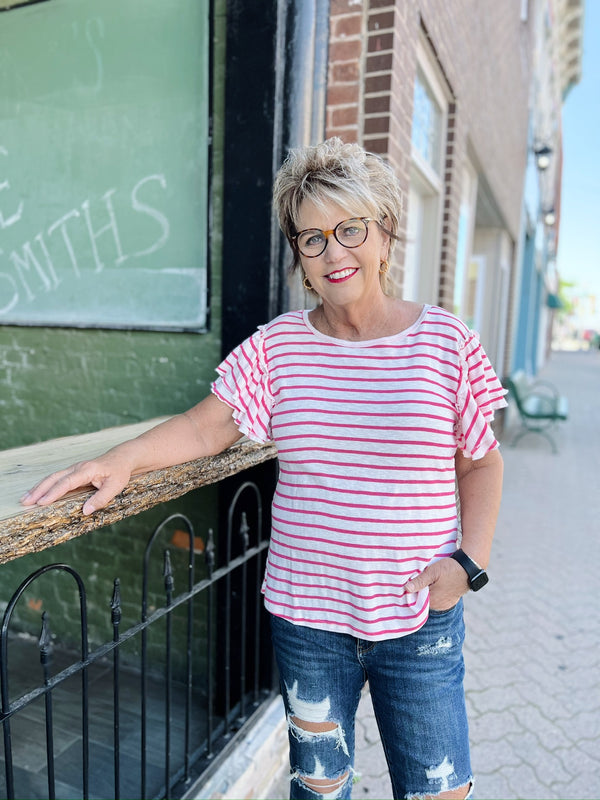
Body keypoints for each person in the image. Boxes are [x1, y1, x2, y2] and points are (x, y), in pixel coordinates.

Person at [22, 138, 506, 800]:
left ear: (386, 236)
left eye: (350, 229)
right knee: (320, 786)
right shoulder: (280, 347)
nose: (334, 252)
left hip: (418, 620)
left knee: (439, 791)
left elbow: (481, 463)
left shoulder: (446, 344)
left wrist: (468, 564)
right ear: (300, 259)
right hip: (309, 625)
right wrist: (119, 461)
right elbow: (205, 426)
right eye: (312, 239)